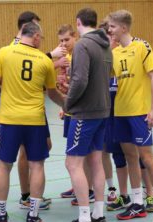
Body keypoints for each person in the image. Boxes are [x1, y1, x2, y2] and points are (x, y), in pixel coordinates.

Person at [0, 22, 64, 222]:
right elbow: (53, 93)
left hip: (9, 120)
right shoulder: (45, 60)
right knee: (37, 165)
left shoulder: (4, 52)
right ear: (36, 37)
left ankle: (2, 216)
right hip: (35, 121)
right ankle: (33, 216)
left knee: (4, 165)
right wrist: (69, 105)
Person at [108, 9, 153, 222]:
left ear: (123, 27)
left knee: (147, 158)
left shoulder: (142, 46)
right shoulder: (113, 53)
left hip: (140, 113)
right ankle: (137, 203)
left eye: (112, 27)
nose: (110, 30)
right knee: (130, 157)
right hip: (120, 113)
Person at [57, 8, 112, 222]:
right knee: (96, 162)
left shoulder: (82, 45)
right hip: (102, 111)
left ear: (78, 22)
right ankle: (98, 216)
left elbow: (79, 81)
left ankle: (83, 220)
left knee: (73, 164)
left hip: (85, 113)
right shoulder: (105, 44)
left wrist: (67, 103)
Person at [11, 11, 66, 210]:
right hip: (24, 109)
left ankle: (29, 195)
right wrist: (51, 57)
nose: (39, 34)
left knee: (44, 146)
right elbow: (26, 68)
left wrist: (53, 66)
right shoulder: (17, 48)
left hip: (32, 107)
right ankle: (28, 196)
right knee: (30, 154)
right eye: (36, 28)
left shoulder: (23, 49)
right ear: (27, 28)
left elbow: (32, 74)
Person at [56, 24, 95, 204]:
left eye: (66, 40)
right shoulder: (65, 57)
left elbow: (81, 83)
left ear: (75, 37)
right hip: (71, 110)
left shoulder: (80, 54)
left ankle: (88, 189)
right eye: (61, 41)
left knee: (82, 155)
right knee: (74, 152)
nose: (64, 44)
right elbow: (68, 87)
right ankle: (78, 185)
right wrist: (64, 102)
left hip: (82, 112)